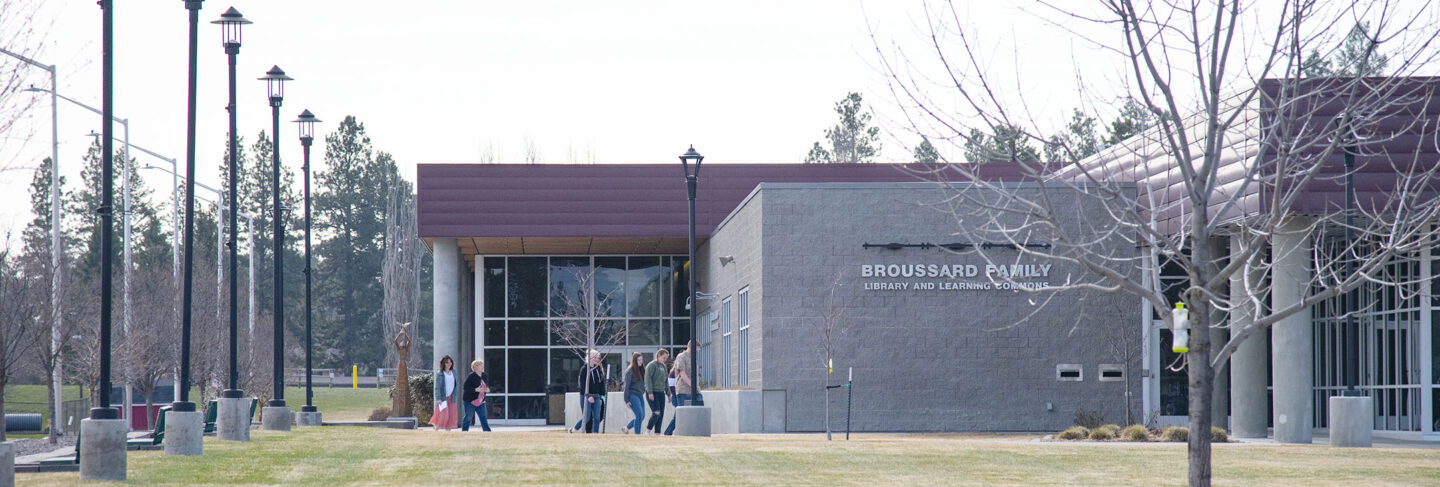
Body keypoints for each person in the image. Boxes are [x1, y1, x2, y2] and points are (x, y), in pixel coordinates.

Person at [665, 341, 697, 435]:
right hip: (677, 394)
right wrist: (673, 395)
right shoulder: (673, 373)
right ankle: (668, 432)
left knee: (679, 415)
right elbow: (671, 385)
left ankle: (669, 432)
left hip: (683, 393)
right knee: (679, 415)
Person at [571, 350, 607, 434]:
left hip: (597, 396)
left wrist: (602, 397)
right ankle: (574, 430)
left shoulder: (598, 369)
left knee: (597, 417)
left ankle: (595, 434)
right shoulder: (584, 369)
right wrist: (588, 396)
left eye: (598, 357)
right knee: (586, 417)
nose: (597, 359)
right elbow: (582, 384)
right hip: (586, 396)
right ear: (590, 357)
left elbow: (601, 383)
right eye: (595, 357)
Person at [644, 349, 670, 434]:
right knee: (656, 413)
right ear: (658, 356)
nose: (665, 360)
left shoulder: (664, 367)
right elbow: (648, 379)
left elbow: (666, 381)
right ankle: (647, 431)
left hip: (661, 393)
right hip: (652, 393)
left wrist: (669, 394)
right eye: (664, 357)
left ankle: (657, 433)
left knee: (661, 414)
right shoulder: (651, 365)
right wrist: (650, 392)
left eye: (666, 358)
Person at [461, 359, 492, 432]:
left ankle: (487, 432)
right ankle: (464, 431)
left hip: (481, 401)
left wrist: (487, 389)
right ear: (475, 367)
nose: (482, 367)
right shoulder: (471, 376)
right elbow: (465, 387)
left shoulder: (484, 375)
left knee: (483, 417)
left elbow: (486, 385)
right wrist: (475, 390)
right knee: (468, 417)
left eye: (482, 365)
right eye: (480, 365)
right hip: (470, 401)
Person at [621, 352, 647, 434]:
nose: (640, 362)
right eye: (639, 360)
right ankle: (637, 435)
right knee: (639, 415)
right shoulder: (630, 370)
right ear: (634, 361)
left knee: (642, 416)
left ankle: (627, 428)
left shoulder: (642, 370)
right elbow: (626, 386)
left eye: (641, 360)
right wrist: (626, 400)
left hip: (640, 395)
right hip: (632, 395)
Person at [432, 355, 459, 431]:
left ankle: (448, 432)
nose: (449, 364)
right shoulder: (440, 374)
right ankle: (436, 430)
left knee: (451, 416)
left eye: (450, 362)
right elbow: (437, 387)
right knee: (443, 415)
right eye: (447, 362)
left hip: (452, 397)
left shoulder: (454, 372)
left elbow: (456, 384)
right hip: (443, 397)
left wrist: (455, 394)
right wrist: (438, 398)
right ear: (443, 364)